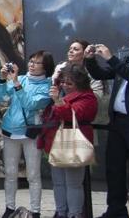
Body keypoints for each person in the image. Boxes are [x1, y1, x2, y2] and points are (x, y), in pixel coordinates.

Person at [85, 29, 129, 218]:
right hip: (117, 124)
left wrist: (112, 58)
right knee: (115, 170)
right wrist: (90, 60)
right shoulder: (128, 60)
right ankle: (115, 211)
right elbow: (100, 74)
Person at [0, 51, 54, 218]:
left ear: (46, 67)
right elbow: (2, 98)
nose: (31, 64)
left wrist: (15, 83)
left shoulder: (47, 85)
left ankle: (35, 211)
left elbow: (30, 104)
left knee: (33, 174)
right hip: (10, 131)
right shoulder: (20, 78)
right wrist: (1, 79)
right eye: (31, 61)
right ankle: (9, 208)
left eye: (36, 62)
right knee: (10, 173)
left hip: (31, 133)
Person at [40, 64, 97, 218]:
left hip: (74, 144)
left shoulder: (88, 97)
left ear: (80, 83)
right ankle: (61, 212)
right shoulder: (62, 94)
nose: (65, 85)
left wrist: (58, 101)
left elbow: (73, 115)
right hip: (55, 143)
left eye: (69, 83)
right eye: (63, 82)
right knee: (58, 183)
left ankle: (74, 214)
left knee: (73, 184)